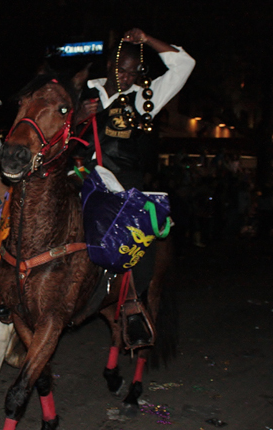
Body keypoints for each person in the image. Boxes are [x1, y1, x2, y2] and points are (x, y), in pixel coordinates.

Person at [78, 28, 195, 346]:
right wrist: (76, 116)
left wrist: (147, 41)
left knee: (144, 237)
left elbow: (184, 64)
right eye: (122, 70)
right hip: (83, 178)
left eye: (133, 72)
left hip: (123, 184)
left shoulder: (146, 99)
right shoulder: (85, 92)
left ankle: (133, 302)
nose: (127, 77)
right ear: (109, 65)